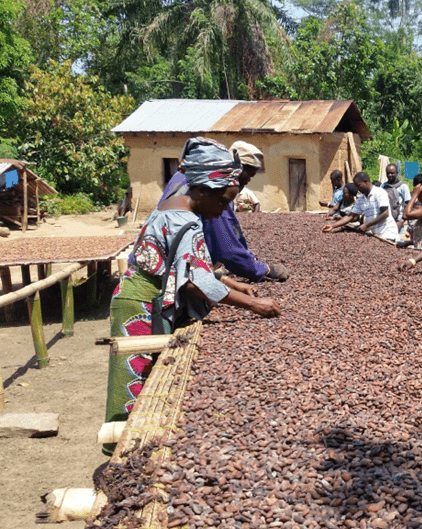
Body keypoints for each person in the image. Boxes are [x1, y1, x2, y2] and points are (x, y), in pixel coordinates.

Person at [108, 137, 281, 440]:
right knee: (133, 382)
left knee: (144, 374)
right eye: (223, 201)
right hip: (139, 302)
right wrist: (255, 305)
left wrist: (227, 281)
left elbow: (185, 263)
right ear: (201, 190)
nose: (225, 209)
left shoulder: (170, 204)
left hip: (144, 295)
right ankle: (122, 446)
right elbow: (194, 281)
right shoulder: (187, 221)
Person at [150, 140, 290, 283]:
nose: (248, 180)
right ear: (237, 170)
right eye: (249, 174)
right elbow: (227, 250)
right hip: (166, 277)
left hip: (155, 263)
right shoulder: (212, 194)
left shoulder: (184, 177)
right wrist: (264, 269)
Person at [322, 171, 399, 240]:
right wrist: (333, 226)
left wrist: (367, 225)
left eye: (359, 185)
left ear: (366, 182)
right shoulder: (361, 199)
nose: (358, 189)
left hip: (388, 233)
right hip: (376, 234)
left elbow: (385, 213)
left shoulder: (379, 193)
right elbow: (350, 216)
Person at [382, 164, 411, 230]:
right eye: (388, 173)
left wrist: (402, 221)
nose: (390, 175)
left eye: (392, 173)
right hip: (385, 220)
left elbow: (408, 204)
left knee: (398, 239)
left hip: (398, 221)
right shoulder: (383, 186)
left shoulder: (403, 186)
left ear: (397, 173)